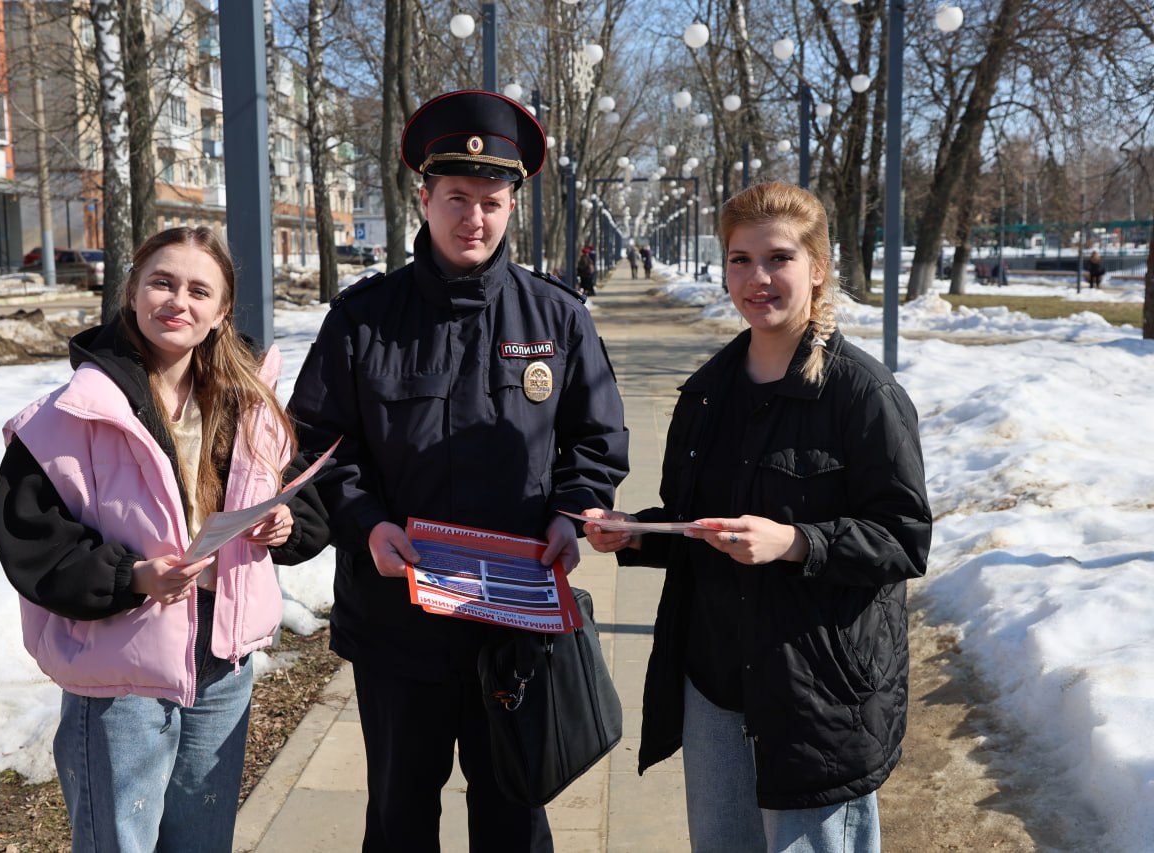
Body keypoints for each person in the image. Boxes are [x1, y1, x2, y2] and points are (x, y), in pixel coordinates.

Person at [287, 89, 629, 852]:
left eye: (491, 200)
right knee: (400, 817)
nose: (473, 217)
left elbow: (597, 440)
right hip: (396, 622)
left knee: (514, 813)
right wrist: (366, 523)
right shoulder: (364, 318)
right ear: (424, 198)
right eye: (456, 198)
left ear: (513, 205)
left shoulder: (557, 319)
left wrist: (571, 515)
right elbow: (316, 444)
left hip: (515, 623)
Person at [583, 182, 931, 853]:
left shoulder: (864, 395)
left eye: (778, 258)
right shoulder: (708, 391)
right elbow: (700, 524)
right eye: (739, 259)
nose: (757, 278)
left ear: (819, 268)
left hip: (817, 691)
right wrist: (635, 533)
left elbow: (903, 539)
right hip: (713, 678)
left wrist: (797, 543)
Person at [0, 226, 330, 852]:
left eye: (199, 290)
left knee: (202, 842)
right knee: (119, 842)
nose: (178, 301)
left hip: (223, 660)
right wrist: (134, 577)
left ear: (222, 311)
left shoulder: (248, 401)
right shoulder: (68, 416)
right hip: (122, 666)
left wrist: (285, 527)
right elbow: (33, 543)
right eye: (162, 282)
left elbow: (299, 498)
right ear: (133, 291)